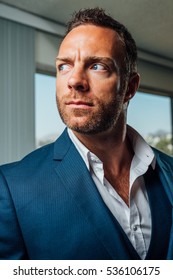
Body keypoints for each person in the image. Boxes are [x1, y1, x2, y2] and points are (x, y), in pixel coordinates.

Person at [0, 7, 173, 260]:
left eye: (97, 66)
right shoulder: (11, 187)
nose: (74, 80)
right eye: (64, 66)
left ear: (129, 87)